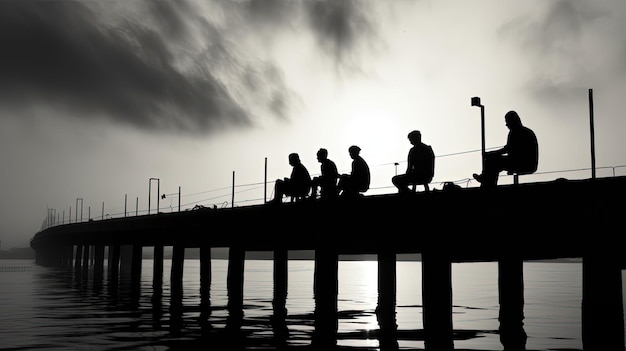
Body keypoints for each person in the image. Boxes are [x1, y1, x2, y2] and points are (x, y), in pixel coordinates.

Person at [473, 110, 538, 188]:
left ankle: (487, 184)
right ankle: (486, 181)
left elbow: (507, 150)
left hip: (524, 163)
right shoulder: (523, 132)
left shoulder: (518, 133)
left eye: (507, 122)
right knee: (494, 161)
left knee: (493, 161)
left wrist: (491, 154)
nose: (507, 125)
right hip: (522, 161)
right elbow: (508, 149)